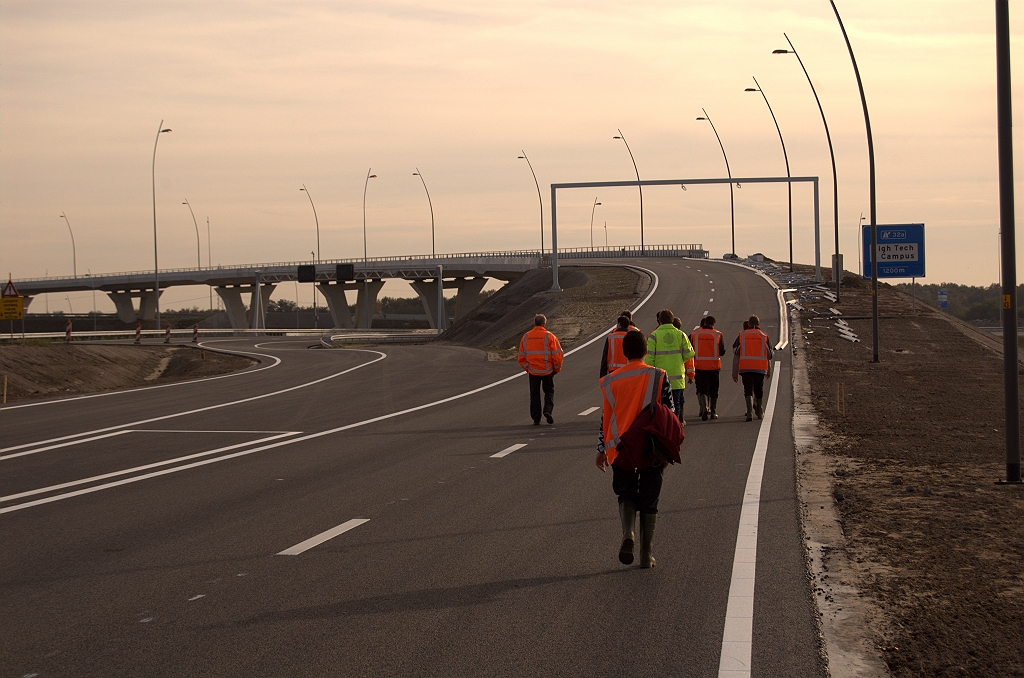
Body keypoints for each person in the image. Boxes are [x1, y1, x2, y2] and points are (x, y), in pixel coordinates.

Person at [595, 329, 669, 568]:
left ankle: (628, 533)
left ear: (624, 353)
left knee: (626, 494)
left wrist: (601, 450)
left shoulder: (611, 380)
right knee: (650, 500)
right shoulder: (658, 376)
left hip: (621, 447)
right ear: (646, 351)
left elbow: (606, 418)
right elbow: (670, 414)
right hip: (651, 447)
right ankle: (647, 556)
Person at [645, 309, 695, 424]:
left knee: (663, 405)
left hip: (660, 377)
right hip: (677, 377)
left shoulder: (654, 335)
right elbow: (689, 353)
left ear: (659, 320)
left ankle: (665, 426)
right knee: (676, 403)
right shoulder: (680, 334)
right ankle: (675, 425)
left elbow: (649, 358)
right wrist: (678, 360)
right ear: (672, 320)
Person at [518, 314, 564, 425]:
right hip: (547, 370)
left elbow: (521, 356)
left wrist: (527, 368)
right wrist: (556, 369)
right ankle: (547, 410)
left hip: (533, 371)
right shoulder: (550, 336)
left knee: (534, 394)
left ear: (535, 323)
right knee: (549, 391)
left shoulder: (526, 336)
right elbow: (557, 355)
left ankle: (536, 418)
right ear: (544, 323)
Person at [732, 314, 773, 421]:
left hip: (746, 367)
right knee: (759, 389)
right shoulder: (764, 336)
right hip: (760, 368)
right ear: (758, 324)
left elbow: (736, 351)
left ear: (749, 324)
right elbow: (770, 354)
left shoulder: (742, 335)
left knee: (748, 389)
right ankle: (759, 411)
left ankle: (749, 412)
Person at [690, 315, 727, 420]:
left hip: (699, 366)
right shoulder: (717, 334)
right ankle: (713, 411)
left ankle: (704, 408)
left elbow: (690, 349)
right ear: (713, 324)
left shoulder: (695, 334)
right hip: (714, 367)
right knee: (714, 389)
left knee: (702, 389)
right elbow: (722, 351)